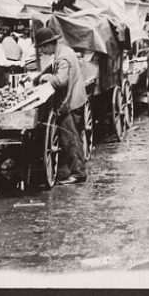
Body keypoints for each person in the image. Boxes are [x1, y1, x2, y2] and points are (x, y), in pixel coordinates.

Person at [35, 27, 88, 184]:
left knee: (69, 138)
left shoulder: (62, 57)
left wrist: (46, 77)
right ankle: (79, 169)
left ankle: (78, 173)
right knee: (74, 136)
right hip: (76, 98)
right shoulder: (64, 50)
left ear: (48, 45)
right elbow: (54, 68)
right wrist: (40, 76)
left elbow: (61, 80)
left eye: (42, 48)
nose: (42, 52)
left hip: (70, 101)